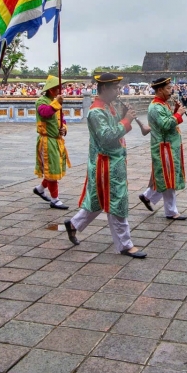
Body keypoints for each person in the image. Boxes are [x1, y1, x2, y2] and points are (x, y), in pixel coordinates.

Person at [63, 72, 147, 258]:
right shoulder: (95, 112)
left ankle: (74, 224)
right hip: (106, 163)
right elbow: (107, 137)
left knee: (98, 200)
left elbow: (114, 128)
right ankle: (125, 244)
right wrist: (127, 121)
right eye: (115, 88)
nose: (119, 91)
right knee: (116, 201)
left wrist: (123, 117)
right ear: (105, 89)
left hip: (113, 161)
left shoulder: (109, 107)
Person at [138, 77, 187, 220]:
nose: (171, 90)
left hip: (170, 145)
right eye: (168, 88)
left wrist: (176, 111)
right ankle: (171, 211)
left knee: (165, 176)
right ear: (159, 90)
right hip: (163, 147)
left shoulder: (163, 104)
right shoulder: (156, 107)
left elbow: (167, 121)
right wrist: (178, 115)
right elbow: (165, 125)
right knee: (168, 178)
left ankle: (147, 196)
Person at [32, 75, 71, 209]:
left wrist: (64, 129)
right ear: (51, 89)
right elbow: (45, 113)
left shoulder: (55, 101)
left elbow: (62, 119)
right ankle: (55, 199)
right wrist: (57, 103)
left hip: (56, 140)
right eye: (57, 88)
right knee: (52, 169)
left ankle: (40, 189)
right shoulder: (41, 101)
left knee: (54, 168)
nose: (60, 90)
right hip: (47, 140)